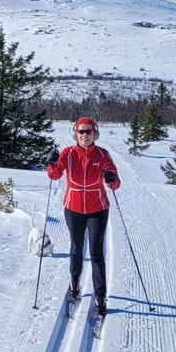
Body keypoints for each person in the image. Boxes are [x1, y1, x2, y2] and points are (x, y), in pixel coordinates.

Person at [45, 118, 121, 314]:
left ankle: (100, 295)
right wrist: (51, 163)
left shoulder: (102, 155)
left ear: (95, 133)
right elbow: (54, 175)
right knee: (76, 248)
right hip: (73, 207)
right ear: (75, 133)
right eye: (81, 132)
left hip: (98, 208)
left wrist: (111, 179)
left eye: (89, 132)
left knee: (96, 252)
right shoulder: (68, 154)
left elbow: (115, 183)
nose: (85, 135)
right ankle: (74, 282)